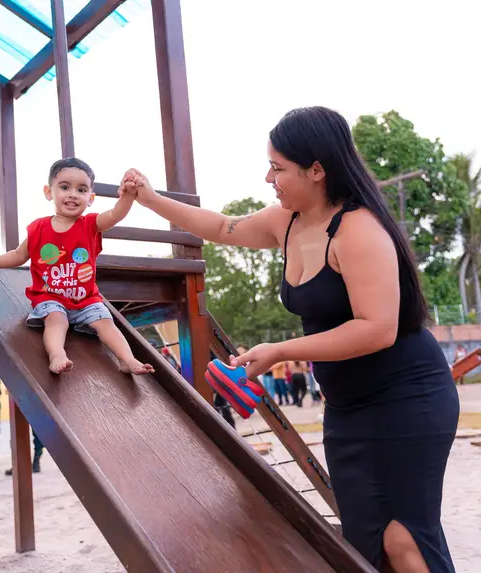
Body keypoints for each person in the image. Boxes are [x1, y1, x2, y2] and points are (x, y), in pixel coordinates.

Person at [120, 106, 459, 572]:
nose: (268, 177)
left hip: (408, 400)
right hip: (348, 409)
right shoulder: (287, 220)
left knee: (404, 539)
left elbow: (377, 328)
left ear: (317, 170)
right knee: (367, 540)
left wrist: (280, 351)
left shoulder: (358, 229)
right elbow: (221, 227)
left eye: (278, 168)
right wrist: (152, 200)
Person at [0, 158, 154, 376]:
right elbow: (18, 255)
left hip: (86, 299)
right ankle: (57, 355)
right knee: (56, 320)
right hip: (50, 297)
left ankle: (127, 360)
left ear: (90, 198)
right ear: (49, 192)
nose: (72, 194)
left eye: (81, 190)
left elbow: (114, 215)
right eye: (64, 187)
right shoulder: (39, 228)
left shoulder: (91, 225)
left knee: (106, 322)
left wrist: (127, 196)